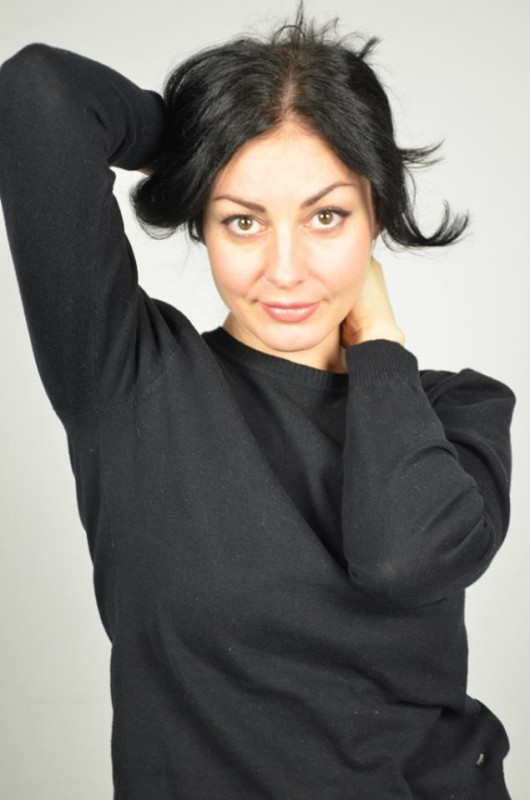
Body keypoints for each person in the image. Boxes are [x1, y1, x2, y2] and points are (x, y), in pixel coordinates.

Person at [0, 6, 516, 799]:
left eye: (326, 216)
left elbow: (402, 560)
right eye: (243, 219)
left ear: (376, 213)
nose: (284, 268)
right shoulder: (130, 381)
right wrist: (204, 138)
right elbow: (39, 91)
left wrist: (379, 340)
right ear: (202, 224)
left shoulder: (458, 410)